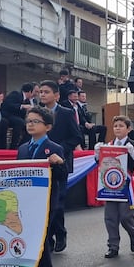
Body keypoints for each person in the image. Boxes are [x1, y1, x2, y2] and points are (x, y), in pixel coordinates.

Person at [2, 107, 63, 267]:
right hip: (26, 203)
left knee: (35, 242)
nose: (30, 124)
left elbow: (63, 177)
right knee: (40, 243)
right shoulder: (22, 148)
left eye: (35, 121)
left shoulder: (54, 148)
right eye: (28, 121)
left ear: (48, 127)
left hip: (46, 203)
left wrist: (59, 163)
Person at [38, 80, 82, 252]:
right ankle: (47, 238)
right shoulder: (37, 113)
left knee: (57, 202)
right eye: (40, 91)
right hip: (41, 165)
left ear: (56, 95)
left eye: (46, 92)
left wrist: (58, 150)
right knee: (44, 203)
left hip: (60, 164)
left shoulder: (66, 113)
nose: (42, 94)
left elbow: (76, 137)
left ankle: (60, 233)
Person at [97, 115, 134, 259]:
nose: (117, 128)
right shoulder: (109, 144)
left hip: (126, 187)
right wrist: (97, 153)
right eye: (115, 126)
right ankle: (113, 246)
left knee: (125, 217)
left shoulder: (133, 145)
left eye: (121, 126)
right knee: (110, 217)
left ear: (128, 129)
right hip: (111, 187)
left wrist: (133, 154)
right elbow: (101, 164)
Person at [1, 82, 37, 148]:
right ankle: (13, 146)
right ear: (29, 92)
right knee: (19, 122)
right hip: (8, 115)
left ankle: (21, 145)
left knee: (29, 126)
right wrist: (22, 106)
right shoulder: (15, 94)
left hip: (17, 118)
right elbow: (8, 104)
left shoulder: (27, 101)